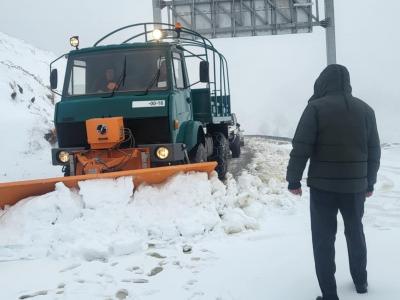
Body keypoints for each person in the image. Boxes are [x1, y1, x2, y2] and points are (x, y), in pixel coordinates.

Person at [286, 64, 381, 300]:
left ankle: (329, 294)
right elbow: (374, 150)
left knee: (323, 239)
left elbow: (301, 147)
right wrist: (369, 182)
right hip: (355, 188)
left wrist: (293, 179)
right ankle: (361, 283)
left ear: (322, 83)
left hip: (323, 188)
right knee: (355, 232)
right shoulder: (366, 110)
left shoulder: (315, 108)